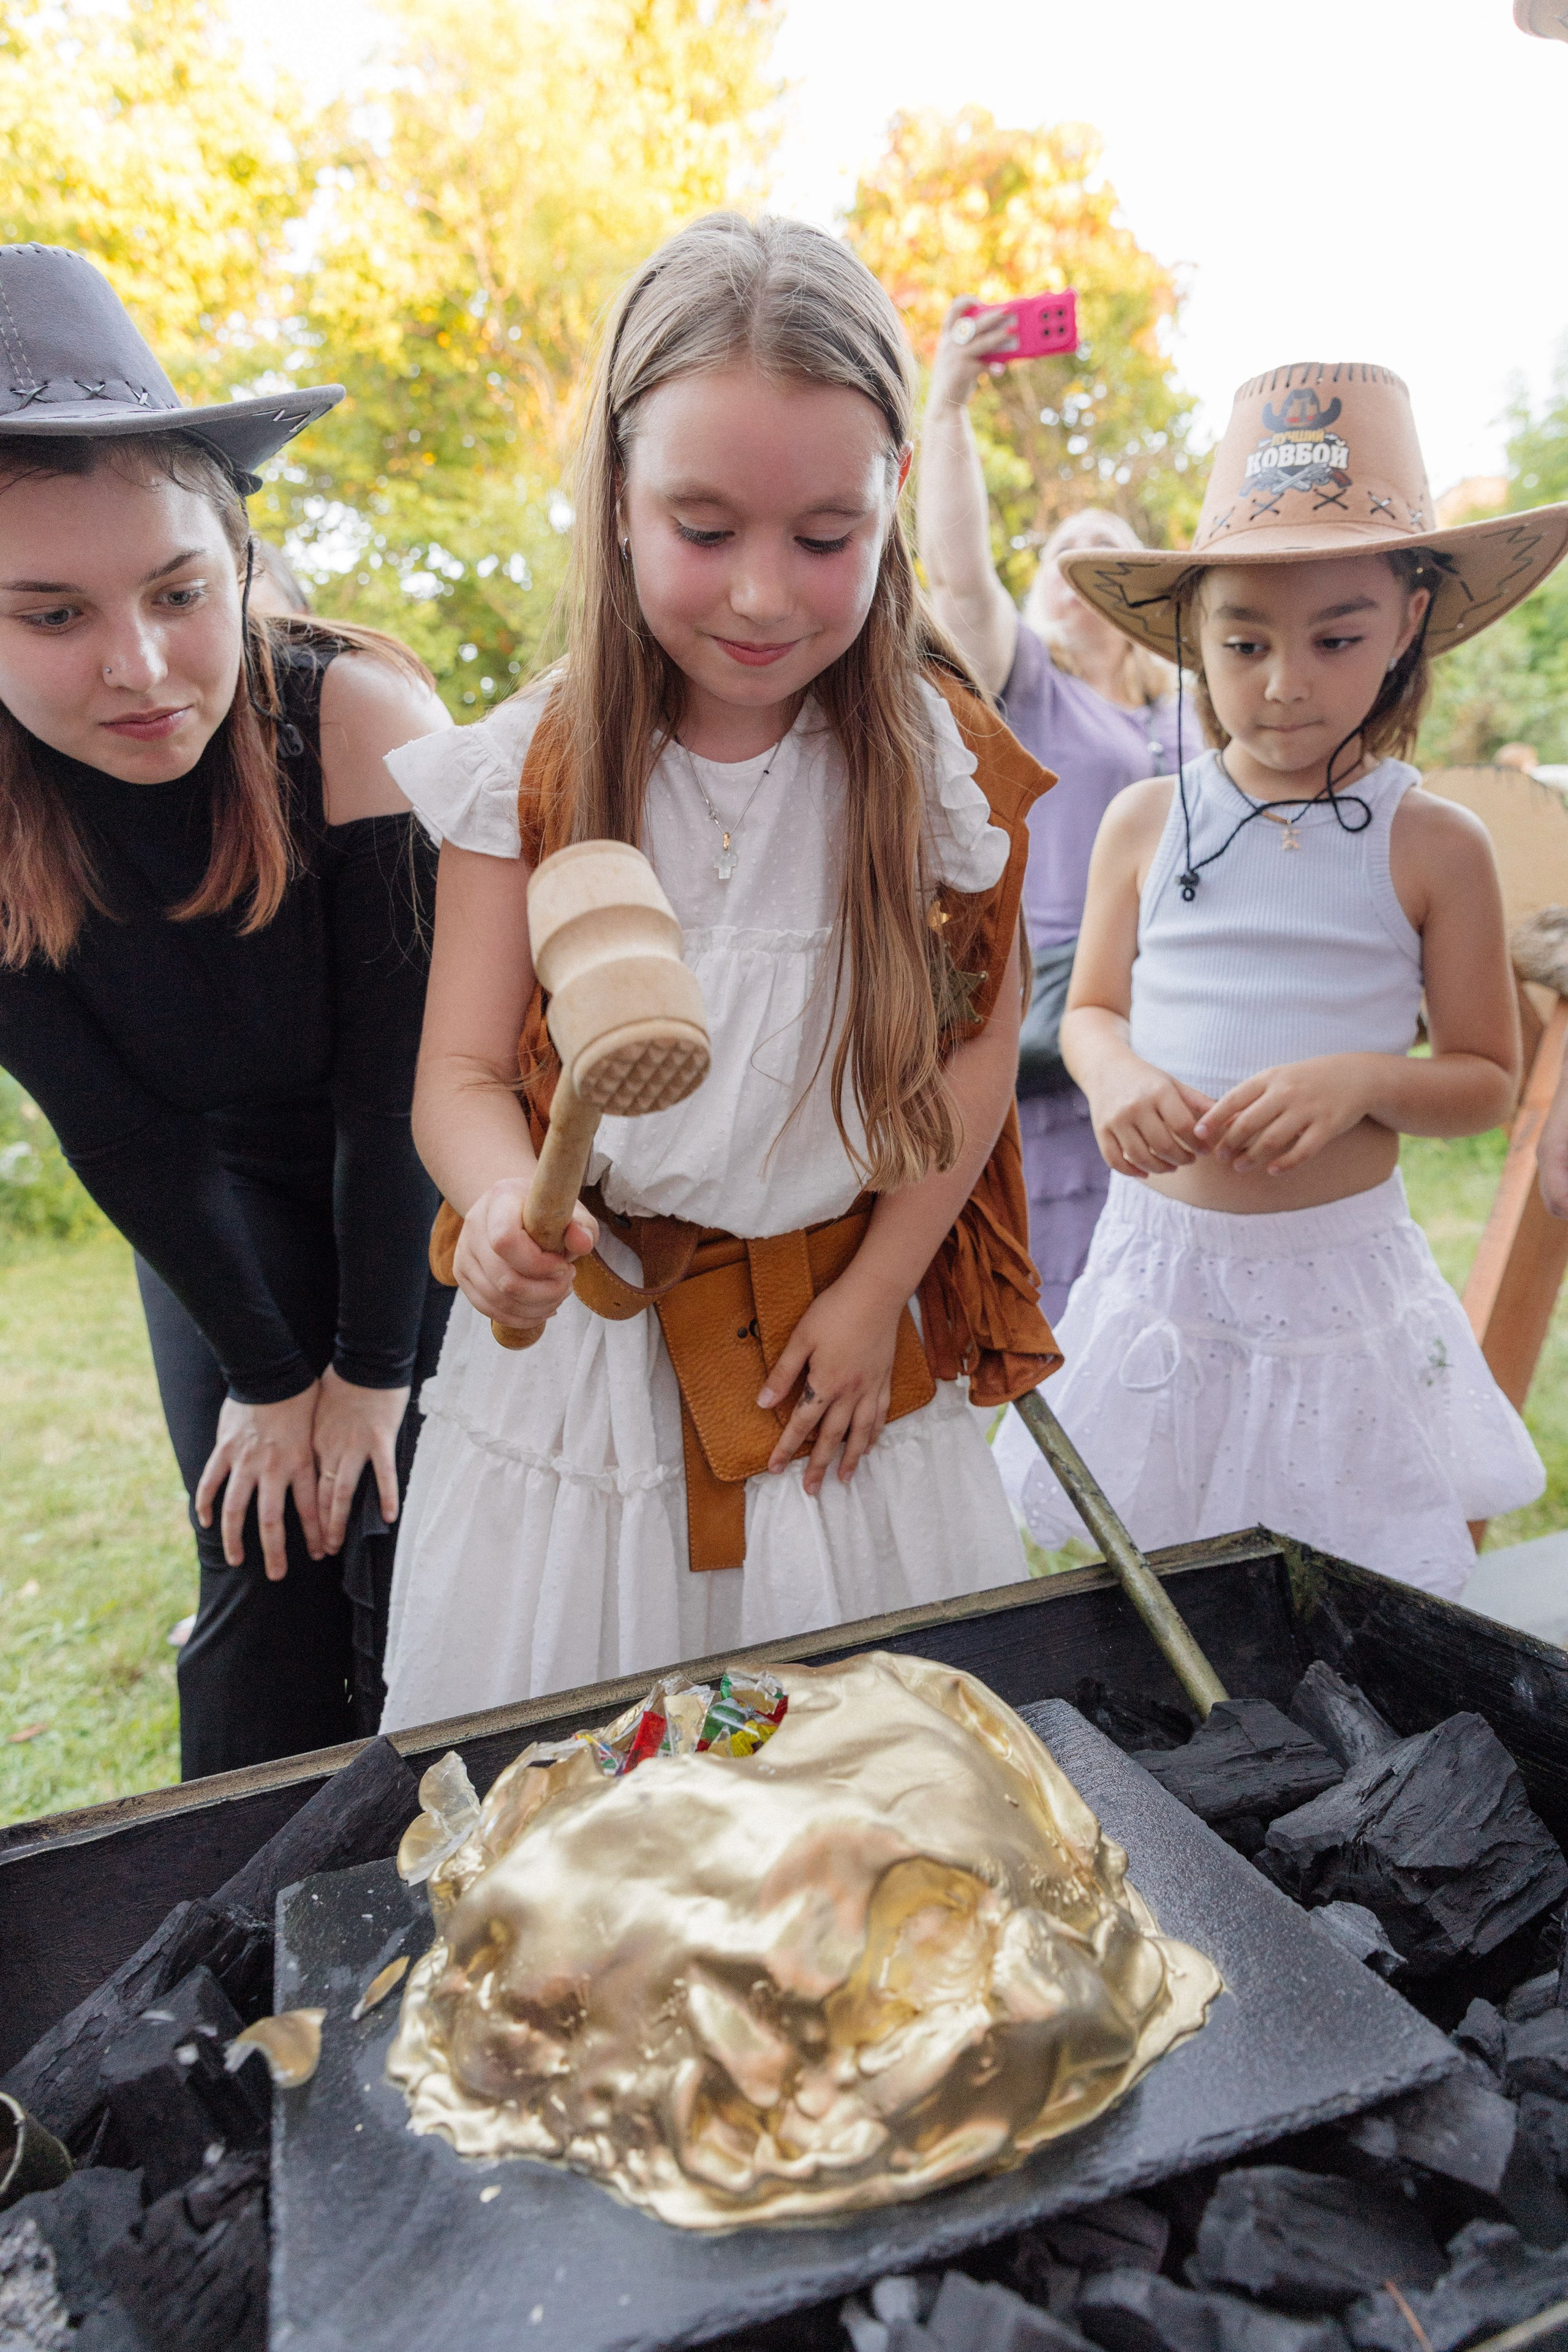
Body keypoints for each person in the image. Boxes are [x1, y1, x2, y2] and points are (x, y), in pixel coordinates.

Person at [378, 213, 1059, 1728]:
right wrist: (501, 1204)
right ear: (616, 499)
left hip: (835, 1375)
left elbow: (974, 1049)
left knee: (851, 1789)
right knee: (597, 1797)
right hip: (586, 1394)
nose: (762, 595)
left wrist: (877, 1290)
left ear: (890, 498)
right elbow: (461, 1077)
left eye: (823, 538)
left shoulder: (937, 771)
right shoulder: (528, 769)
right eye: (703, 529)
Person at [995, 360, 1568, 1598]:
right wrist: (1113, 1076)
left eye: (1336, 639)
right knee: (1163, 1588)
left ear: (1408, 621)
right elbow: (1087, 1011)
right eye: (1244, 643)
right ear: (1191, 632)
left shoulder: (1434, 844)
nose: (1284, 682)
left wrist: (1361, 1080)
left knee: (1344, 1589)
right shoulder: (1145, 823)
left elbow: (1483, 1081)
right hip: (1165, 1279)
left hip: (1336, 1296)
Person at [0, 245, 451, 1774]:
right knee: (260, 1551)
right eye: (50, 616)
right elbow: (117, 1129)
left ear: (241, 561)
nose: (137, 668)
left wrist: (368, 1374)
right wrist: (271, 1379)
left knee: (412, 1542)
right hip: (203, 1193)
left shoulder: (358, 720)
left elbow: (397, 1094)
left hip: (422, 1165)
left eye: (177, 593)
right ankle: (248, 1895)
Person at [918, 300, 1180, 1318]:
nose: (1079, 563)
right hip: (1060, 1033)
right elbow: (957, 573)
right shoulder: (1029, 685)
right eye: (1062, 552)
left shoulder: (1199, 709)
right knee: (1075, 1299)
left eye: (1105, 548)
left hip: (1184, 1021)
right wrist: (948, 403)